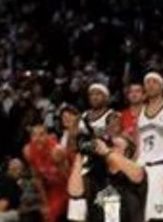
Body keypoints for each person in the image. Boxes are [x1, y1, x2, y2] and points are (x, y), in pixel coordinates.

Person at [66, 136, 145, 222]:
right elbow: (74, 192)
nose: (109, 148)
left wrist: (106, 151)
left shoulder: (132, 173)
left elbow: (138, 175)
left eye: (115, 146)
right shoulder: (95, 176)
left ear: (127, 153)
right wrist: (80, 156)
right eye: (109, 145)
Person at [137, 72, 163, 220]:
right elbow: (138, 141)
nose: (150, 85)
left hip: (160, 167)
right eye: (147, 82)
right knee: (140, 215)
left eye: (155, 82)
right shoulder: (141, 110)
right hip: (141, 168)